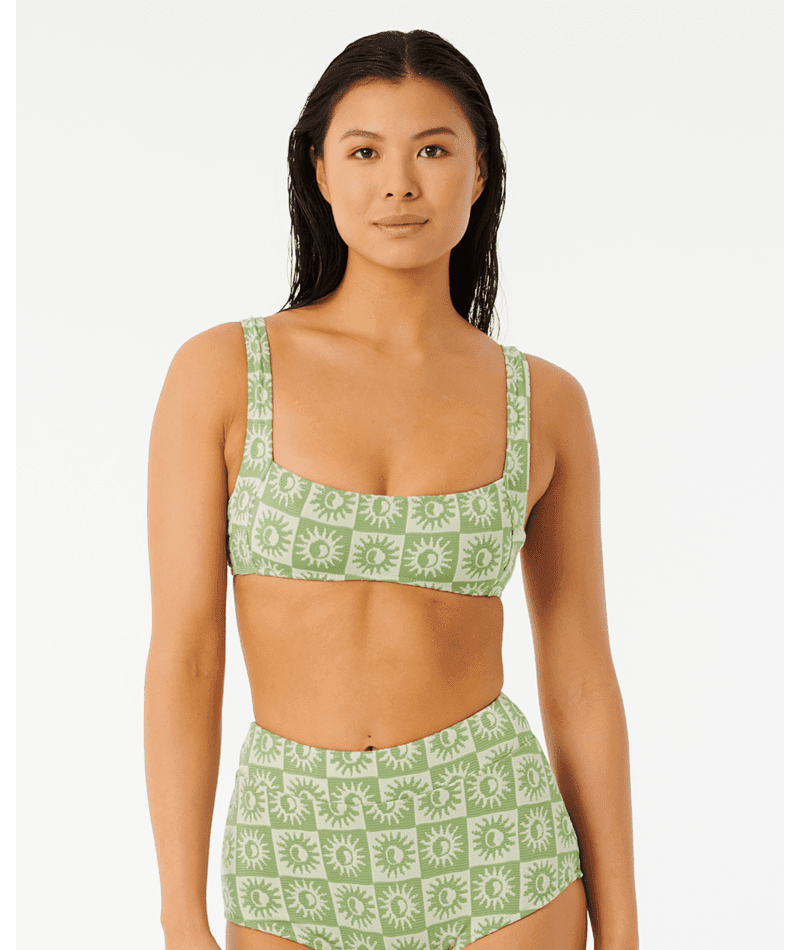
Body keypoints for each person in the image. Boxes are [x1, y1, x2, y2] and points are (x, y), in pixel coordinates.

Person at [144, 29, 638, 950]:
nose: (399, 184)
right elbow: (187, 658)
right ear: (320, 172)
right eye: (365, 151)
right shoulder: (222, 373)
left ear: (480, 172)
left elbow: (579, 682)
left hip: (498, 850)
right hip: (293, 857)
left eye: (433, 150)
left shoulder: (546, 401)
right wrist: (180, 912)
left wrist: (625, 930)